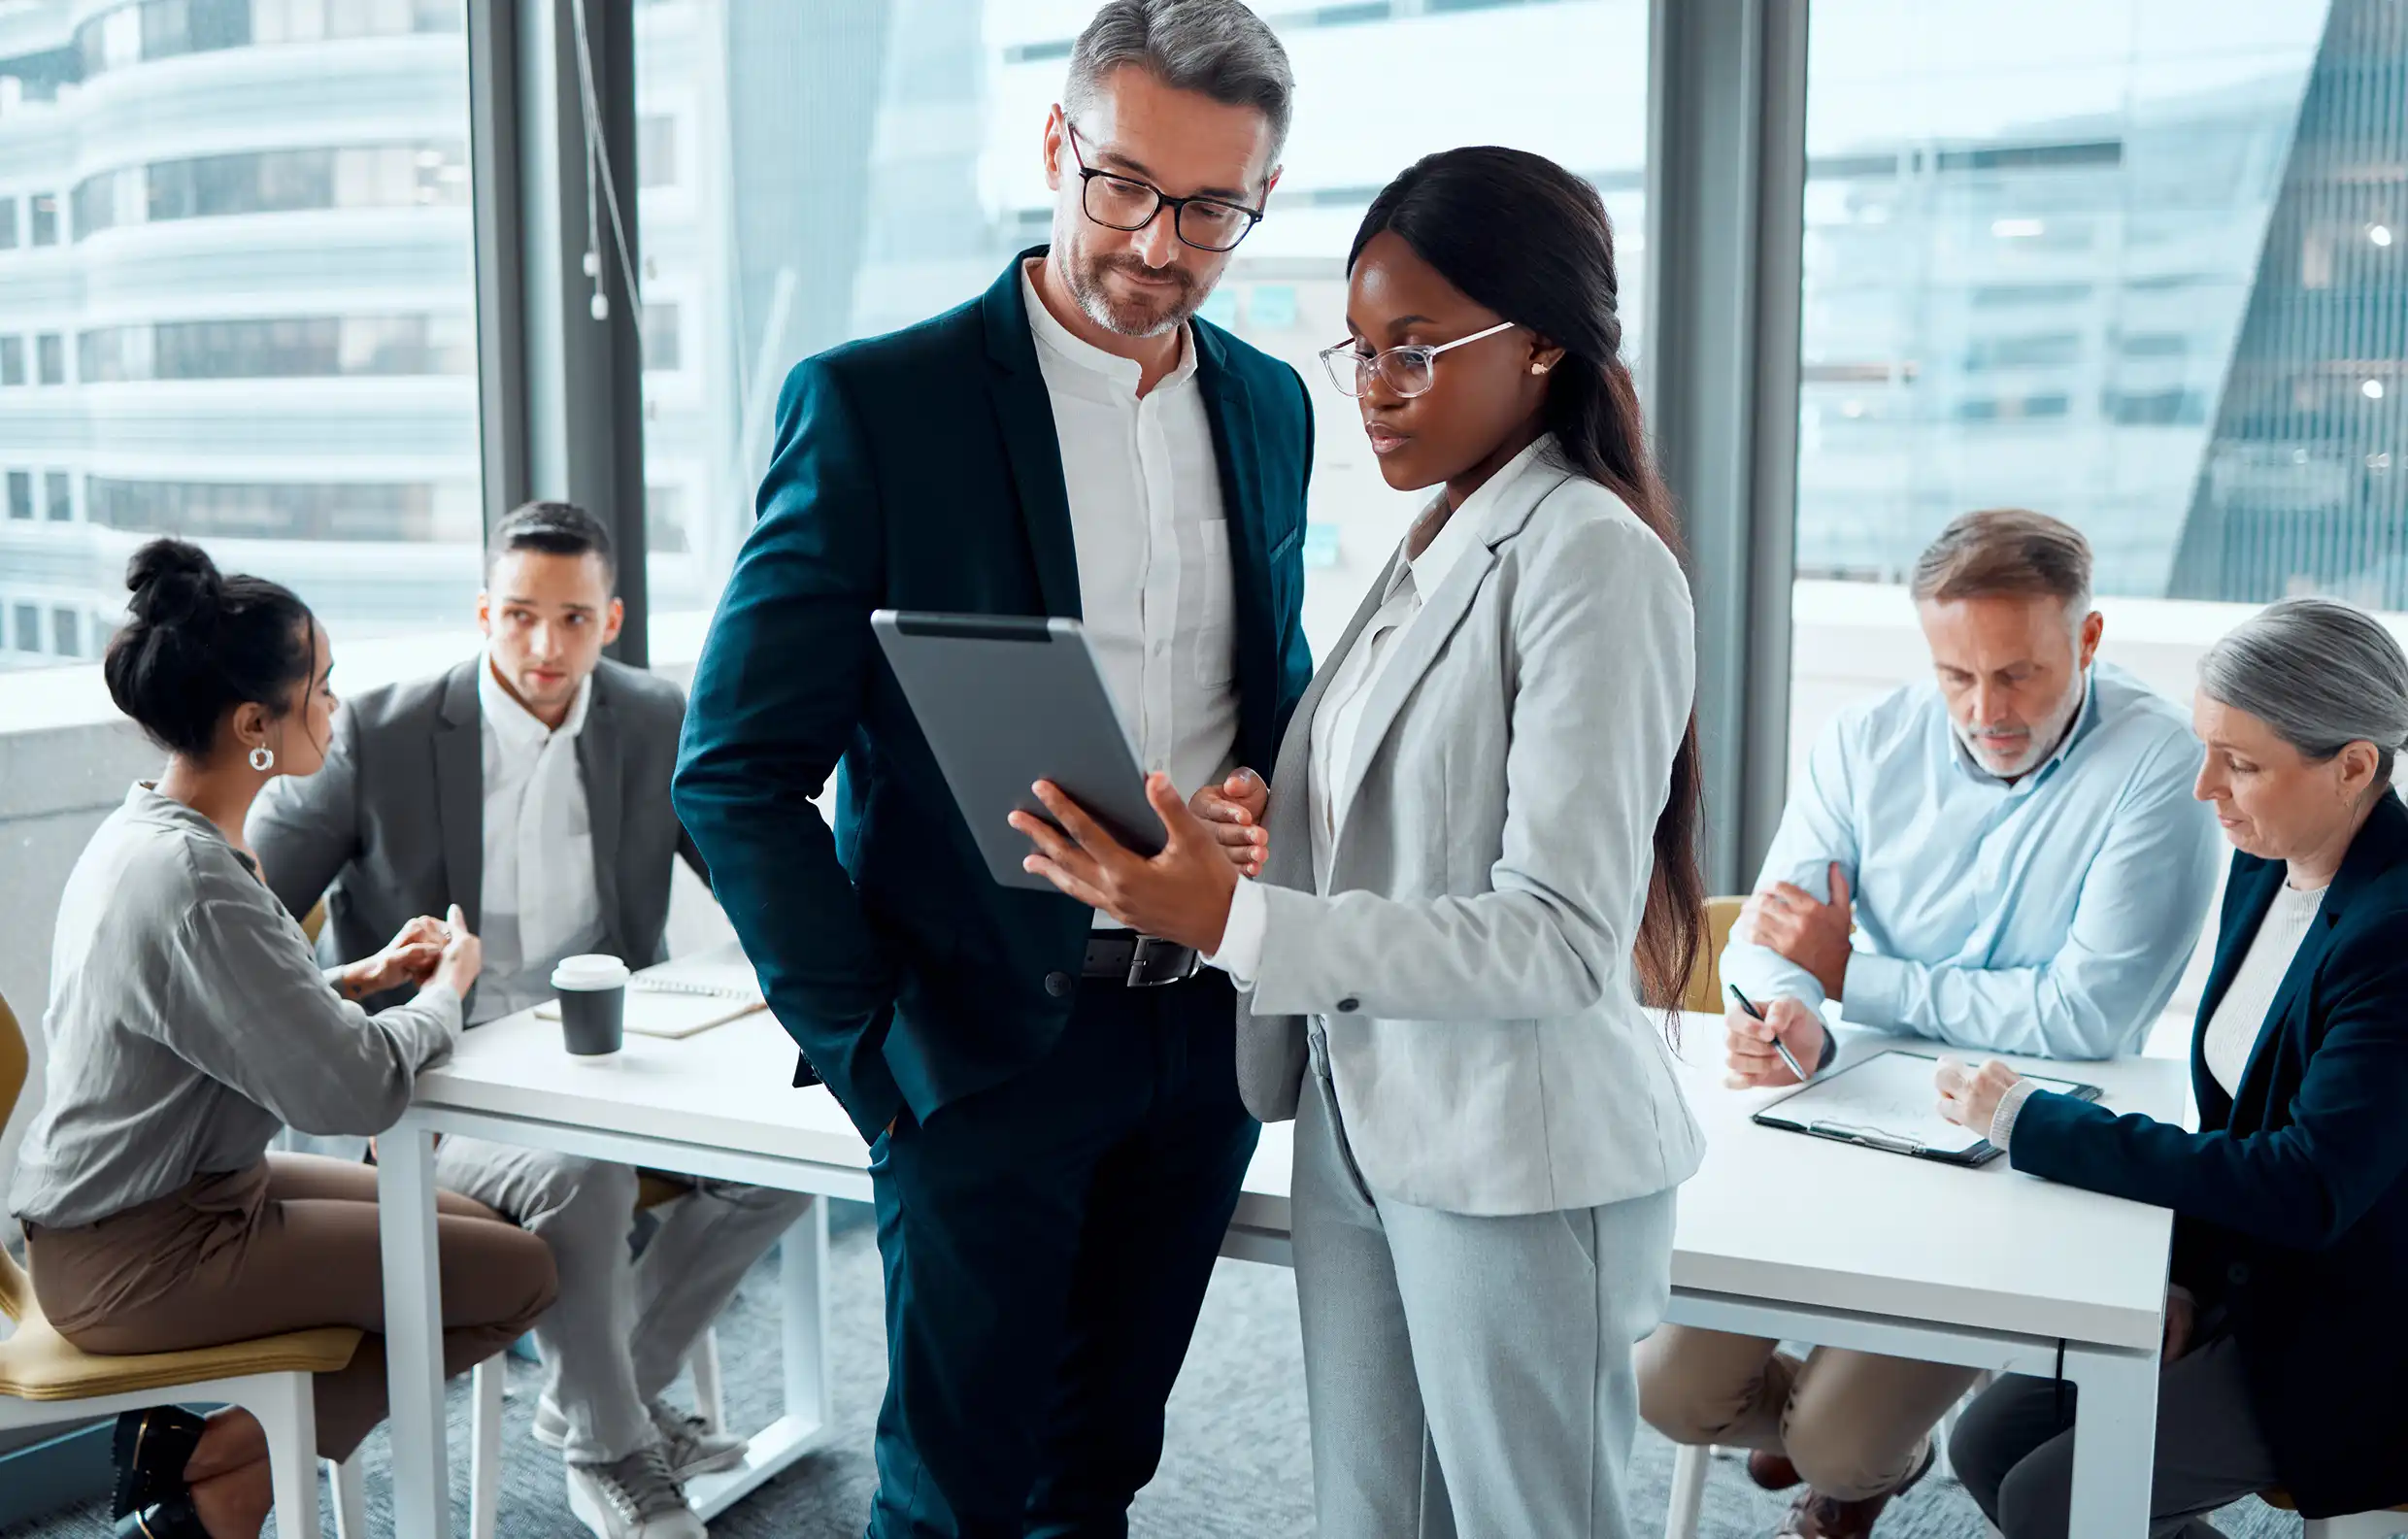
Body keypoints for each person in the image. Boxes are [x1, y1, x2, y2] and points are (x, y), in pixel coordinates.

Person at [670, 4, 1313, 1535]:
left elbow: (1265, 682)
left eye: (1215, 207)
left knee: (1101, 1475)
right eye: (1127, 187)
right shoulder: (881, 407)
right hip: (973, 1049)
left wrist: (1266, 796)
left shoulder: (1273, 403)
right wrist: (880, 1060)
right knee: (956, 1496)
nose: (1163, 244)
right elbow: (734, 771)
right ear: (1056, 147)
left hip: (1196, 1036)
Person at [1012, 145, 1706, 1539]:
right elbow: (1400, 824)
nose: (1376, 392)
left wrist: (1239, 924)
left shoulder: (1590, 555)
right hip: (1361, 1119)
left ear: (1545, 347)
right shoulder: (1435, 538)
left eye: (1416, 352)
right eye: (1360, 352)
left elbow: (1563, 936)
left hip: (1519, 1151)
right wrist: (1261, 836)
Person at [1637, 507, 2223, 1538]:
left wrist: (1852, 977)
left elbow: (2083, 1016)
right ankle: (1832, 1410)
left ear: (2085, 640)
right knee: (1668, 1393)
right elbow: (1770, 941)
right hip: (1841, 1109)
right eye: (1955, 675)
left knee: (1838, 1446)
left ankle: (1853, 1454)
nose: (1983, 708)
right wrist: (1789, 1010)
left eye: (2017, 673)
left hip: (2024, 1139)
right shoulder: (1865, 742)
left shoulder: (2158, 766)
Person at [247, 500, 807, 1539]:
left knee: (786, 1155)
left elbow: (751, 873)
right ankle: (613, 1448)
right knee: (578, 1168)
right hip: (432, 1090)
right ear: (482, 611)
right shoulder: (379, 730)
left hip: (603, 1057)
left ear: (614, 620)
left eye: (574, 620)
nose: (545, 646)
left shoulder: (653, 718)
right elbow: (247, 917)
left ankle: (602, 1396)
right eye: (518, 615)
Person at [8, 539, 556, 1539]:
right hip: (139, 1252)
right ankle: (228, 1478)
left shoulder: (157, 831)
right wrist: (445, 991)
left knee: (490, 1237)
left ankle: (204, 1461)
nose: (337, 708)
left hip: (175, 1201)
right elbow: (351, 1094)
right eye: (323, 687)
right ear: (255, 724)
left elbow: (215, 1011)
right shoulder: (197, 880)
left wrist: (362, 975)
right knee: (515, 1277)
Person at [1937, 596, 2408, 1537]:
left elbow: (2304, 1184)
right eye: (2204, 748)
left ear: (2352, 766)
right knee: (1984, 1444)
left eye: (2237, 763)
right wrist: (2180, 1276)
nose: (2203, 788)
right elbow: (2235, 1116)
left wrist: (2036, 1123)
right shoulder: (2267, 860)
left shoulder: (2392, 935)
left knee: (2049, 1499)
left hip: (2350, 1329)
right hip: (2244, 1275)